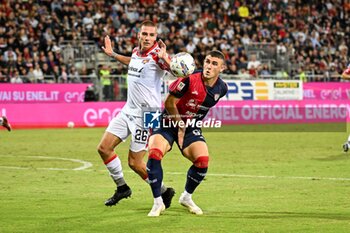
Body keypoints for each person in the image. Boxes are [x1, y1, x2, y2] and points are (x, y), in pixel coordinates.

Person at [97, 20, 175, 208]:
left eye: (151, 35)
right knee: (104, 148)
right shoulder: (136, 52)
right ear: (139, 34)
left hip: (146, 115)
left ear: (156, 37)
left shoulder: (158, 55)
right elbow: (132, 62)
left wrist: (167, 59)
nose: (148, 38)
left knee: (135, 162)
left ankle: (163, 190)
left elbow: (174, 69)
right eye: (145, 34)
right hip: (128, 110)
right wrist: (113, 54)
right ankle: (122, 187)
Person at [146, 50, 228, 216]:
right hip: (167, 122)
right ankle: (157, 202)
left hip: (190, 127)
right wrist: (180, 124)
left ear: (222, 68)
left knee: (202, 161)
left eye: (214, 64)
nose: (209, 66)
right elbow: (168, 103)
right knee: (154, 153)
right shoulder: (189, 79)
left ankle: (186, 197)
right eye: (207, 61)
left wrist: (187, 126)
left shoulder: (222, 88)